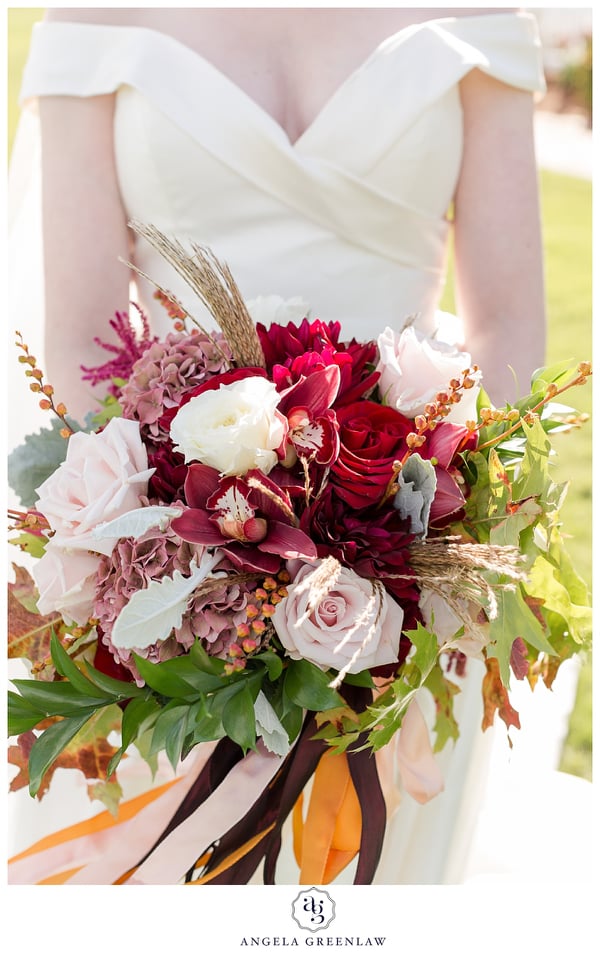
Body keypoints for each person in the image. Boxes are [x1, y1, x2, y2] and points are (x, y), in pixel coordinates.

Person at [8, 6, 553, 885]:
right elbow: (79, 340)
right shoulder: (93, 13)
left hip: (417, 562)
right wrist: (181, 566)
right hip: (171, 591)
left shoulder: (483, 15)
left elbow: (509, 324)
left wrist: (436, 545)